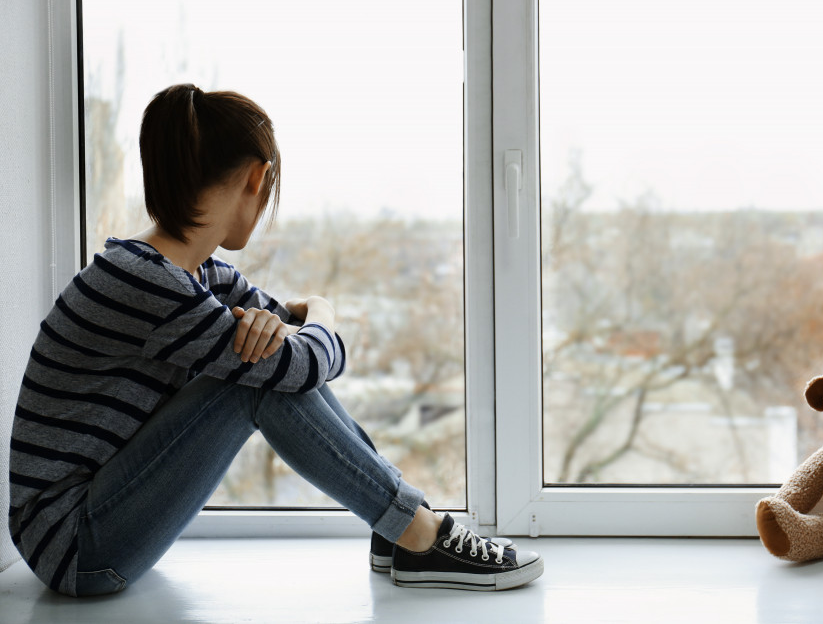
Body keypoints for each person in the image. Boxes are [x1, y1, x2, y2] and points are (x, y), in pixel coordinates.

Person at [8, 84, 542, 597]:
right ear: (256, 178)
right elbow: (303, 362)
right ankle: (417, 534)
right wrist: (321, 311)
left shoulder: (201, 274)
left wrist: (302, 326)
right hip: (75, 547)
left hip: (99, 524)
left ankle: (401, 529)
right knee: (253, 379)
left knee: (263, 364)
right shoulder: (143, 280)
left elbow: (307, 351)